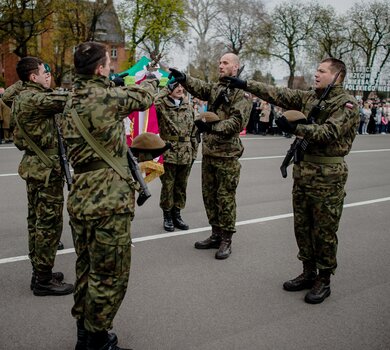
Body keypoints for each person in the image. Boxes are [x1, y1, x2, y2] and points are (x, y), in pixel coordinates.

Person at [223, 57, 360, 304]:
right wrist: (245, 84)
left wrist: (296, 128)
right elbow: (278, 93)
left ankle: (324, 278)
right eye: (316, 69)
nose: (315, 74)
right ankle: (308, 272)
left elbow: (328, 133)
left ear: (337, 76)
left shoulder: (346, 103)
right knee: (302, 226)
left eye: (321, 71)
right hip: (304, 172)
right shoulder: (310, 97)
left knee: (324, 231)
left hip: (328, 177)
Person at [62, 41, 159, 350]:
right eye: (109, 64)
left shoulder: (67, 99)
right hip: (109, 199)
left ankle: (83, 335)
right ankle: (98, 341)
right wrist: (151, 79)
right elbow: (144, 98)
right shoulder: (108, 96)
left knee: (86, 268)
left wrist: (115, 82)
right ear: (101, 68)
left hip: (81, 195)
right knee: (110, 275)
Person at [168, 53, 252, 260]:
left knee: (225, 198)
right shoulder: (217, 87)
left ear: (236, 67)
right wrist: (185, 79)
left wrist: (211, 127)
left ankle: (226, 239)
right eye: (220, 62)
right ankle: (215, 234)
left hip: (227, 155)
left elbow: (237, 123)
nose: (220, 65)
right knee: (209, 196)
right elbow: (202, 88)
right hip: (210, 153)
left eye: (225, 63)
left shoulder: (241, 94)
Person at [7, 57, 73, 296]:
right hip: (46, 170)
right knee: (48, 225)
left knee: (36, 222)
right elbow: (70, 99)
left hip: (36, 167)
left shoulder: (21, 96)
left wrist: (23, 79)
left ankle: (40, 272)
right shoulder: (36, 98)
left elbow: (6, 96)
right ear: (33, 77)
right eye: (44, 72)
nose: (49, 76)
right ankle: (43, 280)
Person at [154, 81, 198, 232]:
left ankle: (177, 215)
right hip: (168, 151)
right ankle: (167, 216)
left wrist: (194, 152)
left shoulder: (188, 106)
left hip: (186, 152)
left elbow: (194, 131)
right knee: (168, 186)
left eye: (181, 86)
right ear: (170, 88)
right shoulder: (162, 104)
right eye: (176, 86)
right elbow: (154, 101)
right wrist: (166, 87)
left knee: (181, 186)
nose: (180, 89)